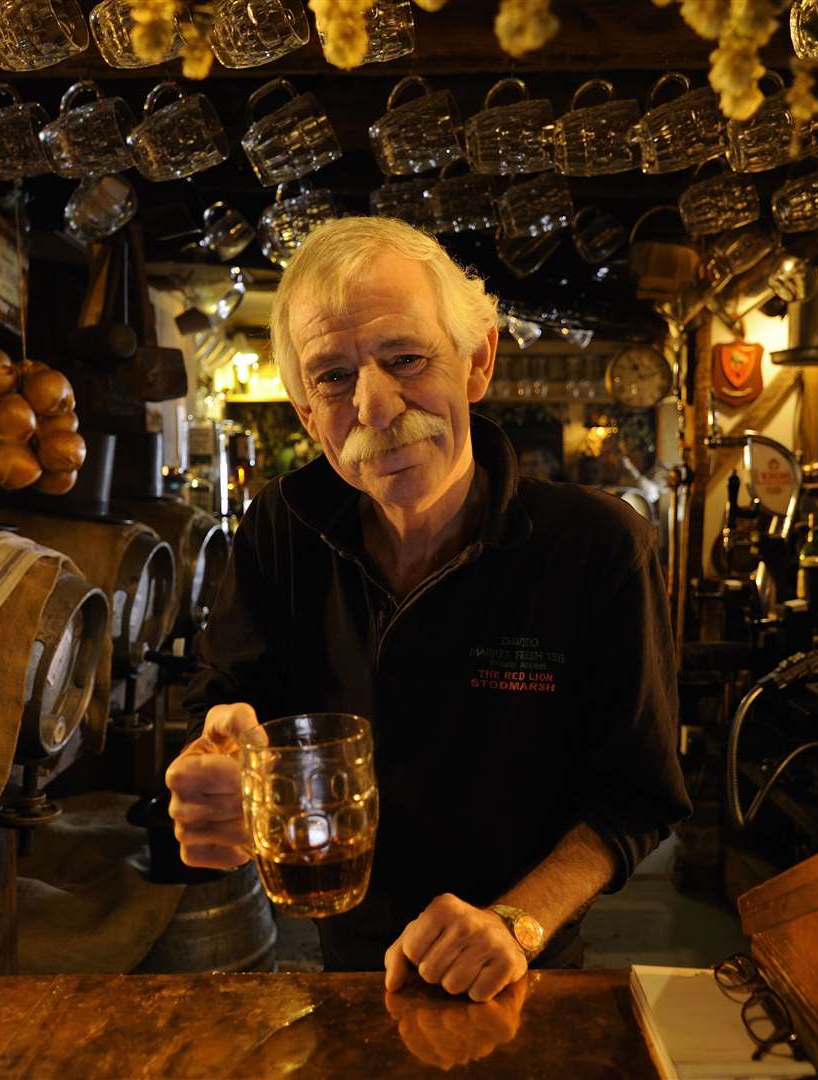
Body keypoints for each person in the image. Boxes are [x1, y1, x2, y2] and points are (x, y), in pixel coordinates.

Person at [166, 217, 690, 1002]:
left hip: (523, 973)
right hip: (334, 968)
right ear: (308, 414)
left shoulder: (596, 544)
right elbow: (234, 692)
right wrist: (216, 754)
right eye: (333, 377)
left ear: (476, 363)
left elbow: (636, 797)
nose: (374, 407)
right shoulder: (283, 526)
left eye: (405, 358)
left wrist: (515, 922)